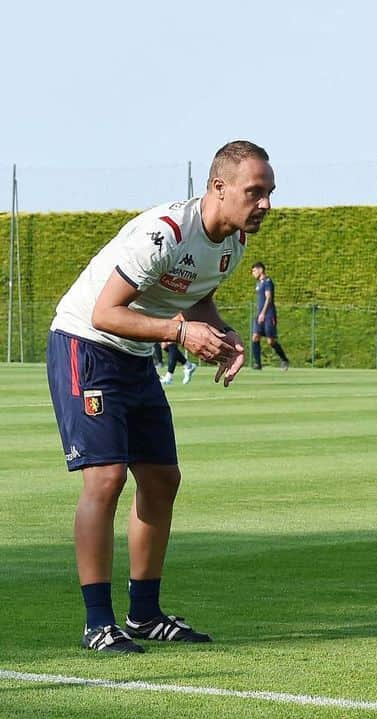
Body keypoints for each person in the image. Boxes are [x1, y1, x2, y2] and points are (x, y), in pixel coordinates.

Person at [45, 140, 274, 653]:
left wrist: (223, 332)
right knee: (105, 479)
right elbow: (105, 312)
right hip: (87, 343)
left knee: (161, 478)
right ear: (218, 187)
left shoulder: (232, 244)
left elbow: (197, 297)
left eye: (270, 193)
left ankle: (145, 614)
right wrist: (179, 333)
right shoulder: (164, 233)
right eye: (254, 192)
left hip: (132, 354)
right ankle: (98, 622)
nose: (265, 205)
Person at [250, 261, 289, 370]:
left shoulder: (268, 281)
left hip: (268, 314)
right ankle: (257, 364)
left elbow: (268, 297)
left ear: (260, 270)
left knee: (271, 341)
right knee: (255, 337)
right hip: (260, 314)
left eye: (254, 270)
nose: (253, 273)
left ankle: (284, 360)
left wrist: (263, 313)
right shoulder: (259, 283)